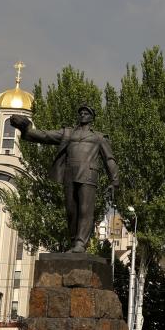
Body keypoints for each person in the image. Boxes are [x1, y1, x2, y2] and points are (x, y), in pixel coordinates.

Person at [10, 105, 119, 253]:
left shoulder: (99, 137)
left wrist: (114, 180)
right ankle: (74, 242)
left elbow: (109, 159)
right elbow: (45, 136)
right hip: (69, 174)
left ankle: (81, 243)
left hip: (88, 175)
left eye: (86, 113)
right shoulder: (68, 133)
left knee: (85, 210)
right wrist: (26, 129)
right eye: (81, 112)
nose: (83, 115)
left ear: (92, 117)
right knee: (71, 211)